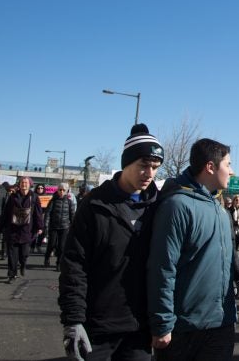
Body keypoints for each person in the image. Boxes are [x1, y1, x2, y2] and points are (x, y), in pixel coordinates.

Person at [58, 123, 164, 361]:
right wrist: (73, 319)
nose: (150, 174)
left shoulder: (160, 206)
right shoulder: (95, 205)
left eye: (155, 167)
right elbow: (74, 264)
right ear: (126, 163)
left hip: (141, 329)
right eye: (143, 166)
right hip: (98, 327)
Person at [147, 138, 239, 360]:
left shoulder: (220, 210)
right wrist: (162, 323)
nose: (232, 171)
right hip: (185, 329)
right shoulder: (176, 206)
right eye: (228, 164)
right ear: (210, 167)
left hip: (222, 324)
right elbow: (163, 268)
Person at [0, 176, 44, 283]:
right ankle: (12, 275)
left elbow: (38, 214)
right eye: (22, 182)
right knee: (12, 255)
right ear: (19, 184)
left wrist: (40, 227)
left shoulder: (34, 197)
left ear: (30, 184)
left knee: (24, 254)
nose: (24, 184)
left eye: (26, 182)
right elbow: (6, 213)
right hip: (13, 230)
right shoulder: (13, 197)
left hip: (27, 230)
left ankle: (23, 264)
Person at [43, 182, 75, 270]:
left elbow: (72, 216)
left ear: (66, 191)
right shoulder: (53, 201)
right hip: (53, 226)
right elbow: (48, 214)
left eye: (63, 190)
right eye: (60, 190)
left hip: (64, 227)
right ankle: (47, 258)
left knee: (62, 246)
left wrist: (74, 227)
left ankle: (59, 263)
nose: (61, 192)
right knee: (51, 244)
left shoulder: (69, 202)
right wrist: (45, 225)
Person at [30, 183, 46, 254]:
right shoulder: (33, 196)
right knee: (34, 232)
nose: (40, 189)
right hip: (34, 216)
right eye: (38, 188)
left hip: (43, 216)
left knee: (43, 233)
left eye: (41, 188)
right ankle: (32, 247)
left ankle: (39, 245)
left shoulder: (46, 197)